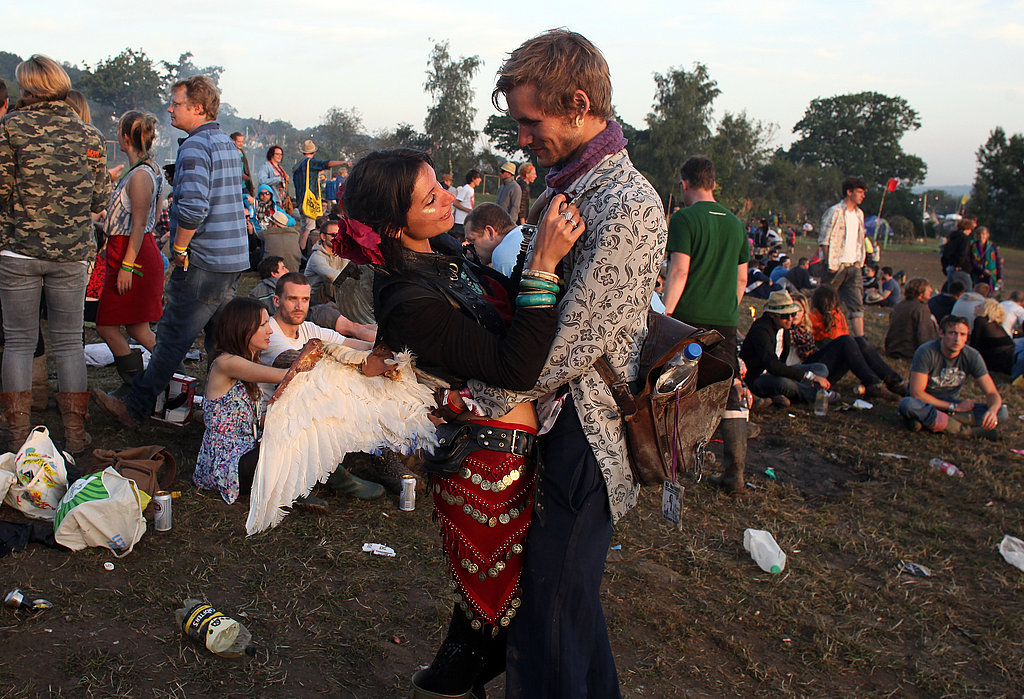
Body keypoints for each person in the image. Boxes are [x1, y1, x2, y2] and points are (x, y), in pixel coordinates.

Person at [340, 148, 582, 698]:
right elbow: (513, 366)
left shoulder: (444, 250)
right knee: (496, 598)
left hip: (518, 446)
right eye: (432, 198)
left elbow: (503, 314)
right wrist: (542, 266)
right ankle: (443, 687)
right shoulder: (406, 297)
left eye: (441, 186)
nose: (451, 198)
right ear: (394, 227)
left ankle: (444, 685)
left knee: (507, 597)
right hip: (485, 465)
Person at [471, 30, 666, 697]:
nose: (521, 137)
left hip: (588, 432)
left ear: (578, 103)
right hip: (551, 420)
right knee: (565, 605)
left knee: (546, 620)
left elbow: (570, 344)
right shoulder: (569, 186)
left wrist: (479, 398)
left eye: (531, 121)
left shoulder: (628, 204)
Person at [94, 75, 249, 428]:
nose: (169, 108)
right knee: (220, 343)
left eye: (176, 103)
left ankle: (135, 408)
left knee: (170, 341)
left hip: (204, 261)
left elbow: (194, 207)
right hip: (232, 259)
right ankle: (220, 418)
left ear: (197, 108)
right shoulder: (226, 143)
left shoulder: (194, 146)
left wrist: (179, 247)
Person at [0, 54, 111, 452]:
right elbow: (100, 198)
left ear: (29, 87)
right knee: (68, 343)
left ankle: (15, 437)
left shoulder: (10, 128)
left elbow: (1, 192)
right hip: (72, 254)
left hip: (17, 252)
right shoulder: (91, 137)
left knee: (18, 342)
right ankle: (76, 436)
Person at [660, 155, 749, 493]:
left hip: (688, 320)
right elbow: (741, 279)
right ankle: (735, 474)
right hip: (725, 322)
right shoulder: (736, 223)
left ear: (685, 184)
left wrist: (666, 310)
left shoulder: (685, 219)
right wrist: (727, 308)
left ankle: (672, 463)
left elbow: (680, 270)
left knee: (676, 388)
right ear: (712, 183)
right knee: (727, 392)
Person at [258, 272, 383, 506]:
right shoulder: (270, 333)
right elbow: (302, 364)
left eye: (305, 300)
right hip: (271, 416)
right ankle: (329, 476)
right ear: (277, 301)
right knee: (328, 392)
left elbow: (353, 345)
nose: (299, 306)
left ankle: (354, 464)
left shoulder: (307, 329)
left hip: (299, 409)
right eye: (292, 299)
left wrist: (382, 350)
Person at [95, 111, 165, 399]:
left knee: (106, 325)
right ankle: (165, 381)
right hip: (130, 250)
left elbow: (139, 224)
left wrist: (126, 265)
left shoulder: (140, 175)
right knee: (138, 328)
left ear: (126, 138)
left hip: (132, 254)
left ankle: (138, 387)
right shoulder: (148, 169)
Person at [193, 298, 290, 503]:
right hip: (227, 467)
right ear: (243, 328)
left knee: (295, 439)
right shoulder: (227, 363)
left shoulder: (247, 361)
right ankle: (300, 493)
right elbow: (284, 375)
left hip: (246, 450)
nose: (270, 331)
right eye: (263, 325)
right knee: (288, 448)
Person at [898, 315, 1006, 438]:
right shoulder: (926, 352)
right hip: (926, 403)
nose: (957, 339)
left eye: (962, 335)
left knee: (1002, 412)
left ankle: (930, 422)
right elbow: (917, 393)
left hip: (951, 406)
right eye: (952, 333)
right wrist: (955, 407)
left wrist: (992, 411)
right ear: (941, 333)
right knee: (907, 404)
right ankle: (966, 431)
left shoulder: (972, 356)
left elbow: (992, 392)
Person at [806, 286, 904, 398]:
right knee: (855, 341)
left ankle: (877, 383)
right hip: (815, 372)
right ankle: (894, 383)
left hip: (821, 368)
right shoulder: (838, 316)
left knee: (856, 341)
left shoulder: (810, 318)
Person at [740, 290, 834, 405]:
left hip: (777, 371)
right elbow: (772, 365)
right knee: (784, 383)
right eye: (785, 315)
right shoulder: (761, 330)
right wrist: (809, 376)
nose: (790, 319)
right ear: (772, 314)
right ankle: (815, 395)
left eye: (792, 314)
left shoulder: (784, 327)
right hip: (758, 377)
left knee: (821, 369)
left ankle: (782, 395)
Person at [819, 176, 868, 337]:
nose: (862, 196)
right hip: (836, 265)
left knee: (857, 304)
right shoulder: (835, 212)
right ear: (849, 192)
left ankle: (860, 339)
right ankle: (824, 333)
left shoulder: (859, 214)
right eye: (859, 192)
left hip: (853, 265)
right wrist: (828, 262)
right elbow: (824, 239)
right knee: (827, 302)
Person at [292, 140, 346, 249]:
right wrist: (344, 162)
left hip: (301, 200)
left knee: (303, 227)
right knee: (309, 227)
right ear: (313, 152)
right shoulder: (310, 162)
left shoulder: (299, 165)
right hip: (309, 201)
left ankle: (298, 250)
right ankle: (301, 253)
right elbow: (326, 164)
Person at [884, 278, 939, 360]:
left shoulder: (899, 306)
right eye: (928, 288)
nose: (931, 290)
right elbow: (925, 336)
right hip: (908, 352)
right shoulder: (920, 309)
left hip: (892, 349)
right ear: (920, 293)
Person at [463, 203, 522, 276]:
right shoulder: (522, 233)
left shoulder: (503, 256)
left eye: (472, 240)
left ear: (490, 232)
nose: (469, 250)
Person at [969, 299, 1020, 379]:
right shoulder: (995, 325)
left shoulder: (980, 320)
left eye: (979, 306)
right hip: (1010, 356)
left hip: (1001, 361)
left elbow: (974, 346)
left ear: (986, 309)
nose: (975, 307)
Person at [940, 216, 975, 292]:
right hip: (961, 269)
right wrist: (958, 265)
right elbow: (962, 253)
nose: (971, 231)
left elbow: (946, 253)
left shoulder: (953, 237)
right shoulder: (964, 239)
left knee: (952, 291)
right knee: (967, 292)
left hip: (951, 268)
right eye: (970, 229)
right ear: (967, 228)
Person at [451, 169, 481, 241]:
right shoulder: (466, 188)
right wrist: (469, 210)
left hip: (466, 221)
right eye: (478, 178)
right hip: (460, 222)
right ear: (473, 179)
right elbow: (455, 203)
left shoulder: (471, 189)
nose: (480, 180)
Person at [969, 225, 1002, 290]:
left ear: (987, 235)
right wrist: (981, 271)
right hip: (976, 274)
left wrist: (999, 277)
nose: (981, 236)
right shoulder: (972, 245)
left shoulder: (992, 246)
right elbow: (971, 260)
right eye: (979, 234)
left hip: (990, 274)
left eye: (983, 234)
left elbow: (997, 261)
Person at [230, 131, 254, 197]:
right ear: (233, 141)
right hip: (234, 186)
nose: (241, 144)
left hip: (243, 185)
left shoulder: (241, 152)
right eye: (239, 142)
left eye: (242, 142)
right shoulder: (230, 153)